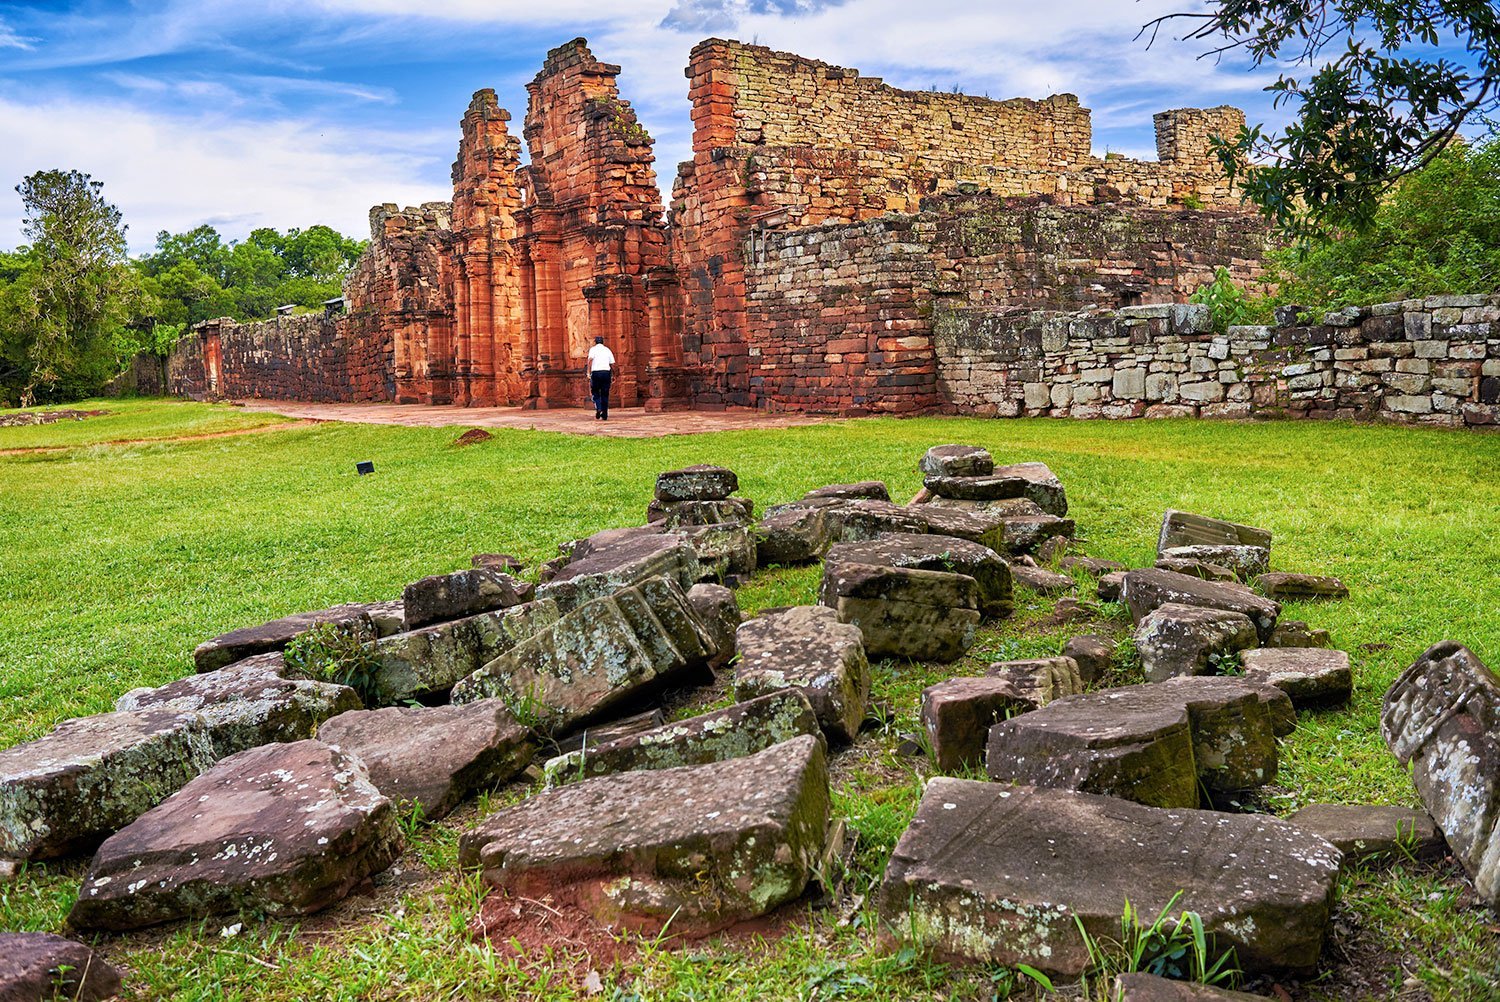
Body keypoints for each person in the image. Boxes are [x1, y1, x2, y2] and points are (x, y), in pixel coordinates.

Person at [587, 335, 615, 420]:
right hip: (606, 372)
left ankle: (598, 407)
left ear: (595, 342)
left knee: (595, 391)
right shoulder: (607, 350)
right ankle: (605, 414)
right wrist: (613, 375)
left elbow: (590, 360)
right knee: (605, 394)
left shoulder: (593, 349)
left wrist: (588, 372)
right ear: (603, 342)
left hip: (596, 372)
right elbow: (612, 363)